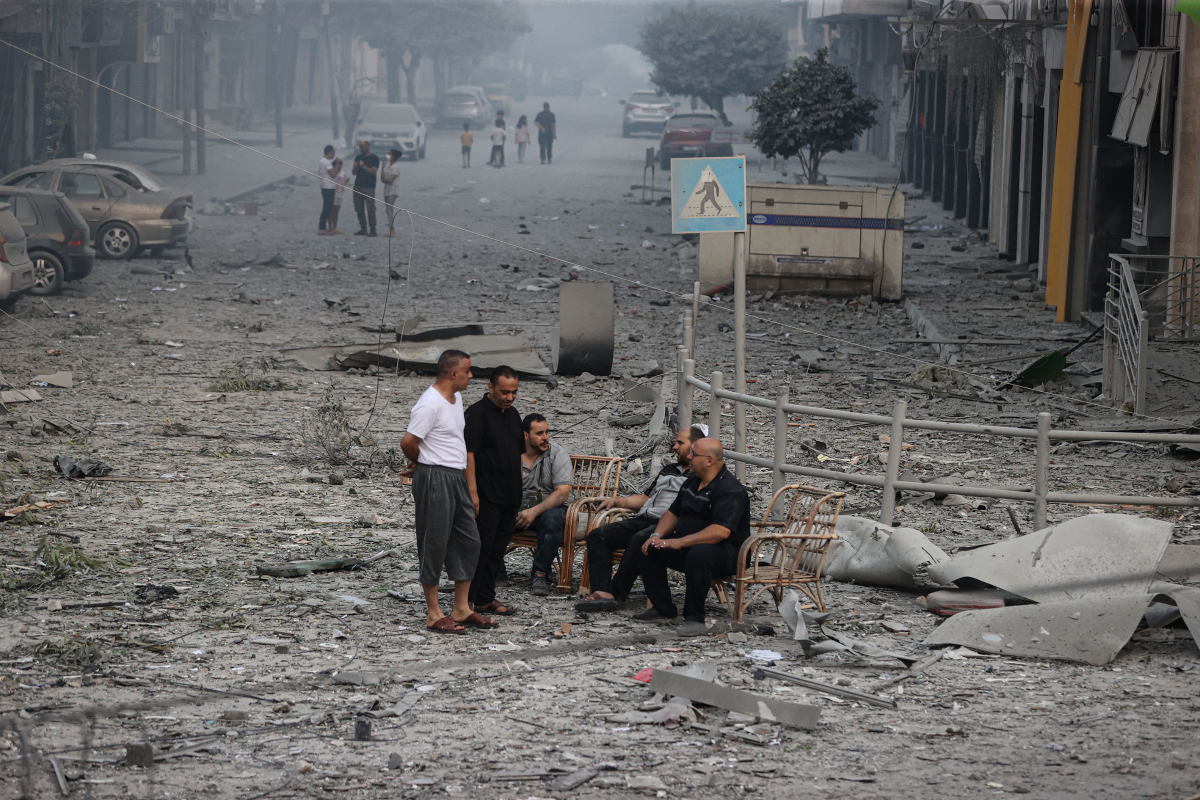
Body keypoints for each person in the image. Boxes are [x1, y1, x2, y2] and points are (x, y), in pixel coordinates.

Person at [400, 350, 497, 634]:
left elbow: (455, 442)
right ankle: (433, 613)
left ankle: (462, 607)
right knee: (434, 540)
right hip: (435, 475)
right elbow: (408, 441)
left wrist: (470, 487)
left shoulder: (456, 400)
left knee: (470, 540)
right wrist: (423, 461)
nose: (471, 375)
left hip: (456, 476)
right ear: (453, 373)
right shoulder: (430, 404)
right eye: (467, 370)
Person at [575, 426, 703, 613]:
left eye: (679, 443)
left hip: (669, 525)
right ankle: (603, 591)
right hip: (644, 518)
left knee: (640, 539)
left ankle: (616, 593)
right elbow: (645, 498)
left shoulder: (699, 476)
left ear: (695, 447)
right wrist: (617, 500)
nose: (674, 447)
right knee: (598, 535)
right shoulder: (668, 469)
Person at [636, 438, 752, 637]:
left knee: (700, 554)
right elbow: (673, 513)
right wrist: (657, 535)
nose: (689, 457)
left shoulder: (730, 490)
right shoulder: (692, 481)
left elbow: (720, 532)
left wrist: (678, 541)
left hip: (729, 553)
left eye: (694, 454)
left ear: (709, 461)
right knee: (649, 544)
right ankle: (663, 609)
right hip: (689, 545)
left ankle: (694, 618)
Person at [464, 366, 523, 617]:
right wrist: (473, 493)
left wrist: (520, 485)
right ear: (490, 387)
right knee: (481, 548)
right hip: (486, 495)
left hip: (510, 495)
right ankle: (465, 602)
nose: (509, 397)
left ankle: (485, 597)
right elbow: (469, 454)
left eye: (514, 392)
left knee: (498, 548)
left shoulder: (513, 414)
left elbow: (519, 454)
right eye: (504, 392)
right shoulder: (477, 414)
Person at [518, 413, 573, 596]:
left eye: (547, 432)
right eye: (539, 433)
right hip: (521, 508)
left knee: (552, 518)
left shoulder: (557, 453)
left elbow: (562, 494)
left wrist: (533, 512)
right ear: (525, 435)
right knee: (491, 514)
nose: (545, 437)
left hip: (552, 509)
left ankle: (540, 574)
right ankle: (496, 572)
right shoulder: (512, 453)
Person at [351, 140, 379, 236]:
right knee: (359, 208)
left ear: (367, 147)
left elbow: (374, 171)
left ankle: (373, 229)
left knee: (370, 208)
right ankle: (363, 228)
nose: (361, 149)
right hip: (358, 185)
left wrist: (363, 166)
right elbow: (354, 173)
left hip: (369, 187)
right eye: (360, 147)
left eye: (362, 147)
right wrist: (355, 167)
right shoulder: (358, 158)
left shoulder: (374, 158)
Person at [318, 145, 340, 235]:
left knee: (327, 207)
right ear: (330, 152)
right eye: (333, 152)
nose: (334, 154)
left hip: (325, 186)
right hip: (328, 187)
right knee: (327, 208)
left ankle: (324, 228)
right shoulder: (326, 162)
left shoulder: (322, 161)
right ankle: (322, 228)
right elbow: (333, 174)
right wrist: (338, 165)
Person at [381, 148, 402, 237]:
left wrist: (386, 180)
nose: (388, 155)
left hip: (393, 191)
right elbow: (382, 179)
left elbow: (390, 180)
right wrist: (382, 168)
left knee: (389, 210)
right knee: (387, 209)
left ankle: (391, 229)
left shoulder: (396, 167)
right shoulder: (387, 166)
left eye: (389, 154)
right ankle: (390, 226)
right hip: (386, 190)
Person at [328, 162, 348, 235]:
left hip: (340, 195)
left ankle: (334, 227)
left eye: (340, 166)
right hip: (333, 194)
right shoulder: (332, 173)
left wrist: (344, 184)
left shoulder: (342, 173)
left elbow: (347, 179)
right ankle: (330, 227)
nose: (340, 168)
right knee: (331, 211)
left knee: (336, 212)